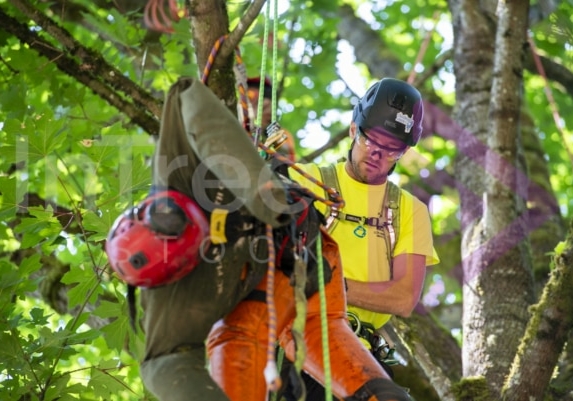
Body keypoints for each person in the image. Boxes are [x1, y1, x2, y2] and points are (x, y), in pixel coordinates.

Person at [106, 76, 413, 401]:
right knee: (236, 338)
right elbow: (161, 366)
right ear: (180, 265)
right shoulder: (170, 308)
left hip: (305, 256)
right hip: (261, 301)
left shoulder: (175, 178)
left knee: (293, 334)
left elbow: (183, 95)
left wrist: (260, 191)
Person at [281, 77, 440, 400]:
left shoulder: (408, 210)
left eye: (391, 148)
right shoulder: (302, 181)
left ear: (404, 151)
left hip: (359, 351)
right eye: (372, 140)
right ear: (354, 129)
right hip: (295, 340)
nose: (377, 153)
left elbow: (403, 298)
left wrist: (327, 285)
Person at [246, 76, 296, 162]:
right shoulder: (241, 123)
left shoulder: (282, 134)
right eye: (263, 108)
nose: (267, 113)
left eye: (267, 108)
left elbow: (288, 159)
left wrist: (275, 139)